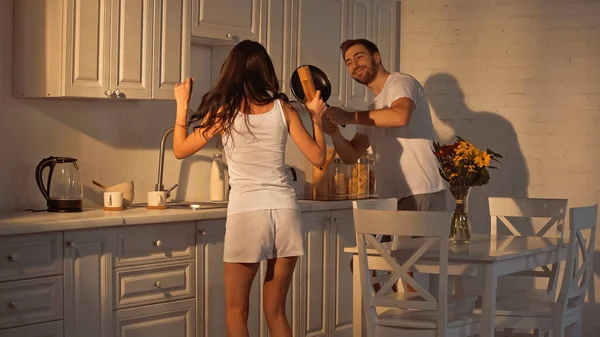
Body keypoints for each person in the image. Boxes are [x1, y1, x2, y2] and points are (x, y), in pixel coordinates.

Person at [172, 40, 327, 337]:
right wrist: (316, 120)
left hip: (247, 212)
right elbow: (319, 158)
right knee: (276, 311)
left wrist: (182, 106)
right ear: (264, 72)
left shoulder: (224, 111)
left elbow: (180, 149)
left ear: (230, 71)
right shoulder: (284, 108)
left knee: (236, 311)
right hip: (284, 211)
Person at [324, 38, 446, 211]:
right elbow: (350, 156)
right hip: (390, 199)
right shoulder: (373, 109)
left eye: (359, 57)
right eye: (349, 62)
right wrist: (334, 133)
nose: (354, 65)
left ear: (377, 57)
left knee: (417, 240)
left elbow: (400, 116)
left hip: (420, 191)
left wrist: (348, 117)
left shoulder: (400, 83)